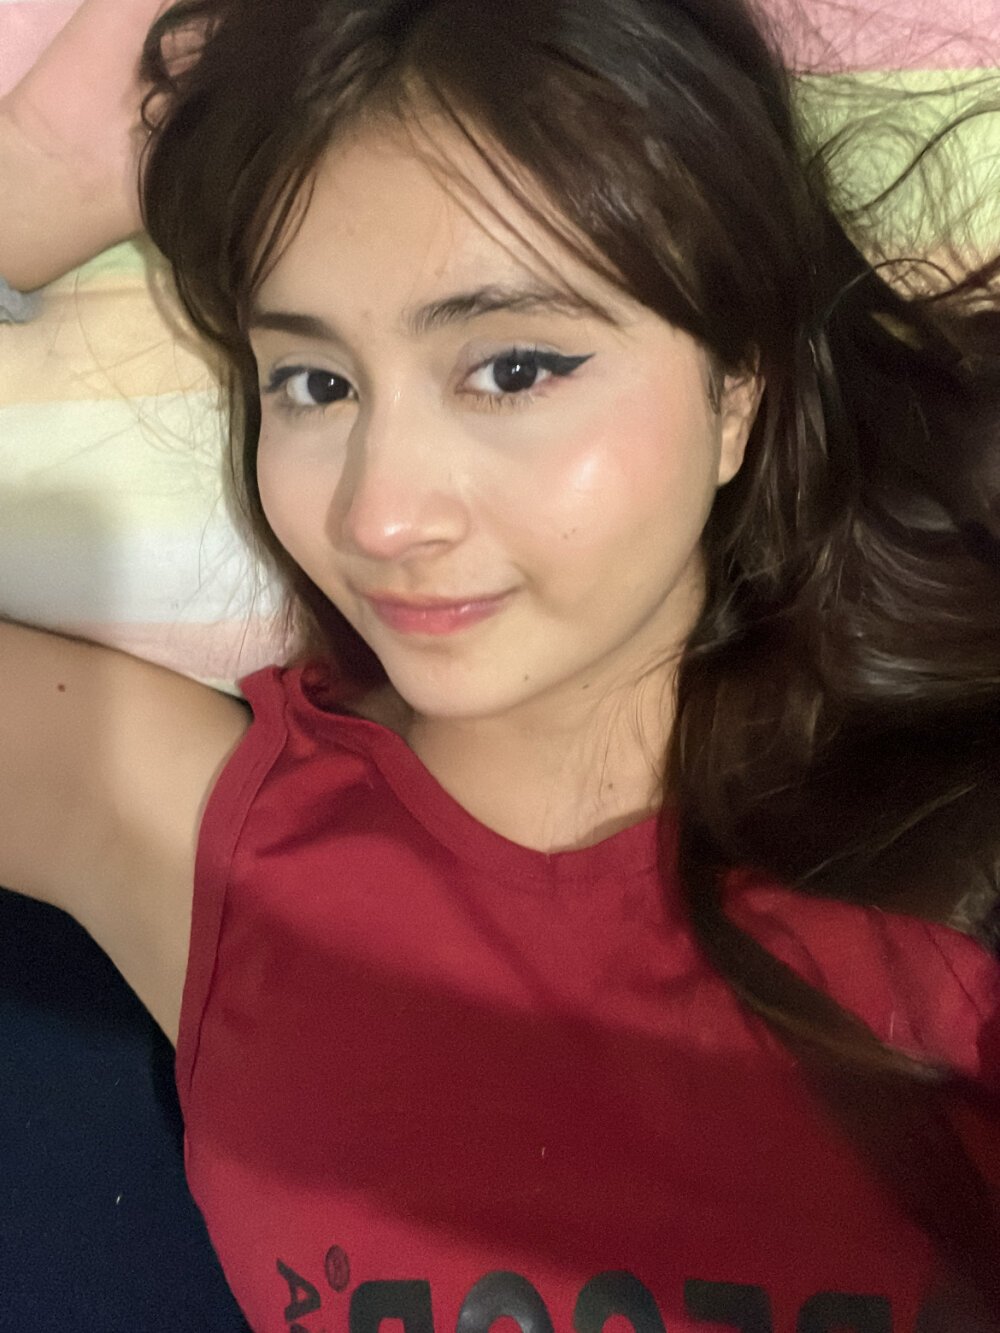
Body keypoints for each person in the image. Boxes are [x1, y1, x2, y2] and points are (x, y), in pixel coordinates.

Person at [1, 0, 999, 1330]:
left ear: (738, 389)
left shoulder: (955, 856)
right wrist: (29, 185)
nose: (379, 516)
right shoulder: (199, 836)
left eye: (514, 368)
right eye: (314, 384)